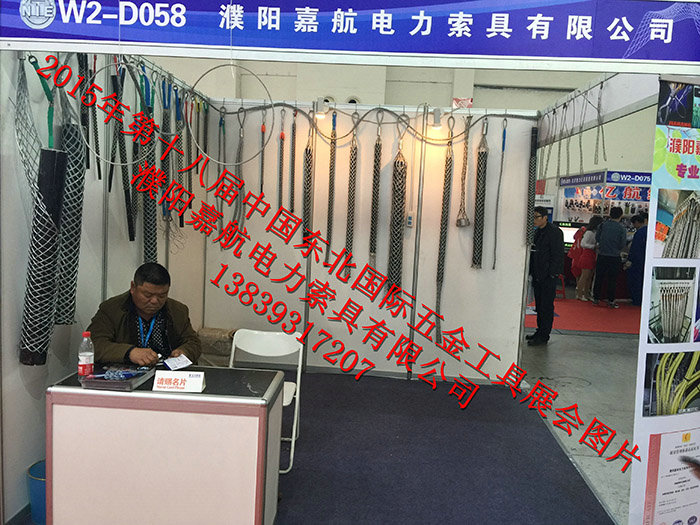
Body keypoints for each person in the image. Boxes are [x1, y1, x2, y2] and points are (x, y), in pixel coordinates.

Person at [88, 262, 201, 365]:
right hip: (127, 372)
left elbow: (193, 342)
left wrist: (184, 352)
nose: (155, 301)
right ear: (133, 287)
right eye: (147, 295)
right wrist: (129, 352)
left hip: (166, 373)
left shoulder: (178, 310)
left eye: (162, 295)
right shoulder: (112, 309)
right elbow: (94, 344)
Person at [527, 207, 564, 346]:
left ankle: (544, 335)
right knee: (539, 305)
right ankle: (539, 331)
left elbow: (557, 254)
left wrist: (552, 273)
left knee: (546, 307)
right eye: (533, 217)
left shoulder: (554, 232)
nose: (534, 220)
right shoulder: (537, 232)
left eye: (537, 217)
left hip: (548, 276)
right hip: (538, 274)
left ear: (544, 218)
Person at [593, 206, 627, 308]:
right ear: (621, 215)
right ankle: (611, 300)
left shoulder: (602, 225)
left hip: (602, 255)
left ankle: (596, 298)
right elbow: (622, 244)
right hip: (614, 257)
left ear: (609, 214)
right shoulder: (622, 228)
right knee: (612, 279)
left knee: (599, 277)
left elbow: (597, 238)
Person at [573, 215, 604, 301]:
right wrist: (593, 246)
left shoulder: (595, 233)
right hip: (587, 255)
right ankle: (579, 294)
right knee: (584, 276)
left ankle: (586, 294)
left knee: (589, 277)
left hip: (592, 255)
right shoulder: (589, 232)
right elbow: (583, 244)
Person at [625, 213, 648, 306]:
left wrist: (629, 259)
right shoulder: (649, 230)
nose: (633, 226)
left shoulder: (639, 233)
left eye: (634, 223)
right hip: (645, 260)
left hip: (637, 261)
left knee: (636, 281)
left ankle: (636, 300)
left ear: (637, 222)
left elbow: (635, 248)